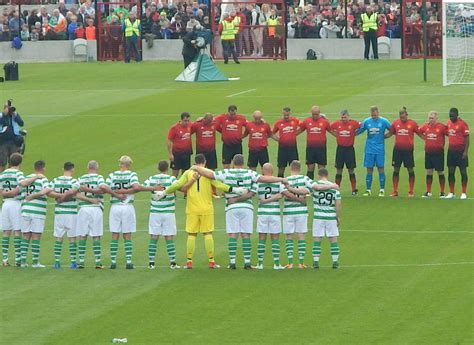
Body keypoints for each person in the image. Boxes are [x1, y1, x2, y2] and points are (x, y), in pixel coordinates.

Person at [193, 154, 287, 269]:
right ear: (243, 163)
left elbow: (210, 174)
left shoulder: (227, 172)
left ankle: (232, 262)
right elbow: (265, 178)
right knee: (245, 234)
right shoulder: (249, 173)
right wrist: (281, 179)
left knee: (233, 234)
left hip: (231, 207)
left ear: (233, 162)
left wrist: (196, 168)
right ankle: (247, 262)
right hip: (247, 207)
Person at [157, 154, 239, 269]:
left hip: (192, 209)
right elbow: (219, 185)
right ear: (204, 162)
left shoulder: (187, 173)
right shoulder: (208, 173)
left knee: (191, 234)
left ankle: (189, 262)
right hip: (206, 208)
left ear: (195, 162)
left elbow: (177, 184)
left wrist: (164, 192)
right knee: (208, 234)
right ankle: (211, 261)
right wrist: (235, 190)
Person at [77, 160, 124, 269]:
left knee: (82, 236)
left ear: (88, 167)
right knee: (96, 235)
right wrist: (114, 195)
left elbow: (76, 193)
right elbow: (103, 188)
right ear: (97, 168)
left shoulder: (81, 178)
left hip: (83, 208)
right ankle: (98, 263)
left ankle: (81, 262)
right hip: (95, 208)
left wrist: (87, 195)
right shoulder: (99, 178)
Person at [1, 153, 43, 267]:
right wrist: (35, 176)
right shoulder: (18, 173)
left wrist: (6, 194)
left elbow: (1, 192)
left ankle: (4, 259)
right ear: (20, 162)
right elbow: (22, 185)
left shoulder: (3, 174)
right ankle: (18, 259)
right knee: (18, 231)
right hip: (16, 203)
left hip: (5, 204)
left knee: (6, 231)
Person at [141, 160, 180, 269]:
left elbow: (142, 187)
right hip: (168, 212)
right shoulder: (171, 179)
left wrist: (152, 189)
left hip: (155, 212)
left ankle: (151, 263)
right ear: (167, 168)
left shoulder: (152, 179)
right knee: (169, 237)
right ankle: (172, 263)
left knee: (154, 237)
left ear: (158, 168)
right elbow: (179, 187)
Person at [106, 156, 141, 269]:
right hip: (127, 206)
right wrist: (125, 191)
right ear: (129, 164)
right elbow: (136, 187)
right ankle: (129, 262)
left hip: (115, 207)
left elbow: (105, 188)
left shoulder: (112, 175)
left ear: (120, 163)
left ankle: (113, 262)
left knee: (114, 234)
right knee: (127, 235)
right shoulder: (132, 175)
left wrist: (116, 193)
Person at [48, 162, 83, 269]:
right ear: (72, 169)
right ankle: (73, 262)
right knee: (72, 238)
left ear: (63, 168)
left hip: (59, 213)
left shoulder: (56, 180)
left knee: (59, 237)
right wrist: (65, 196)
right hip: (71, 213)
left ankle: (57, 262)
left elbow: (49, 192)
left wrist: (59, 197)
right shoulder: (75, 181)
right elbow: (74, 193)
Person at [255, 163, 287, 270]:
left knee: (261, 238)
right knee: (275, 238)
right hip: (274, 213)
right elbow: (282, 194)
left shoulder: (258, 182)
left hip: (262, 213)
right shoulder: (278, 181)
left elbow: (254, 194)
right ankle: (276, 264)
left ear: (262, 171)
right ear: (272, 171)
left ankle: (260, 264)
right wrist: (273, 198)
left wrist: (264, 201)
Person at [19, 160, 49, 268]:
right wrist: (35, 196)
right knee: (36, 235)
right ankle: (35, 262)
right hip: (38, 211)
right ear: (43, 168)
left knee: (25, 235)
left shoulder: (26, 178)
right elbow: (47, 190)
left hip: (25, 210)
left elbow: (21, 189)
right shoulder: (43, 179)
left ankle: (23, 262)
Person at [385, 107, 420, 197]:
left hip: (408, 151)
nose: (402, 118)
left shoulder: (412, 123)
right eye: (401, 116)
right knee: (396, 169)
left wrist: (428, 139)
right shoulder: (396, 123)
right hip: (397, 150)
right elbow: (389, 134)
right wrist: (379, 136)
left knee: (410, 169)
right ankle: (395, 191)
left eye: (403, 116)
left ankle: (411, 191)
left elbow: (420, 133)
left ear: (406, 115)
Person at [356, 106, 391, 197]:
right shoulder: (367, 121)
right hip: (369, 149)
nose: (374, 117)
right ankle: (368, 190)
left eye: (375, 115)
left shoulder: (384, 121)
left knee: (380, 168)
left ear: (378, 113)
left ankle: (382, 190)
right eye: (372, 115)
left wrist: (385, 136)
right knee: (369, 169)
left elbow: (392, 130)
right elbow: (358, 131)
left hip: (379, 149)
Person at [311, 169, 342, 269]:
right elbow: (338, 203)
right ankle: (335, 262)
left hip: (318, 217)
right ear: (327, 175)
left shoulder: (315, 186)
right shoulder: (334, 187)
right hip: (330, 217)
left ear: (318, 175)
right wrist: (337, 217)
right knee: (333, 240)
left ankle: (316, 262)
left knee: (317, 240)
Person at [330, 109, 360, 195]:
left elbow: (362, 126)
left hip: (349, 149)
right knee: (339, 170)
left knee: (351, 170)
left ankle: (354, 190)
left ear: (348, 116)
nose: (343, 119)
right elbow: (329, 128)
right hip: (340, 149)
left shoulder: (354, 123)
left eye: (345, 117)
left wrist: (355, 133)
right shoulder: (337, 123)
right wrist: (336, 134)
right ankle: (336, 189)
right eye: (342, 117)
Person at [297, 105, 332, 179]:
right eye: (313, 114)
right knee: (310, 167)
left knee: (321, 168)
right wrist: (290, 134)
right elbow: (299, 130)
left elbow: (332, 131)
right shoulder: (307, 121)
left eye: (316, 114)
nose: (314, 116)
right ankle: (309, 187)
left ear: (319, 113)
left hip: (321, 148)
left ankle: (322, 185)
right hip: (310, 149)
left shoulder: (324, 122)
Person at [418, 111, 447, 197]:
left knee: (440, 172)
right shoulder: (425, 126)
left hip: (438, 153)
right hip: (428, 153)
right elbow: (418, 131)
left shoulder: (441, 127)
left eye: (432, 118)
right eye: (429, 118)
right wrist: (424, 138)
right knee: (429, 171)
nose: (430, 120)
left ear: (436, 118)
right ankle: (428, 191)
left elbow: (450, 133)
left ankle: (442, 192)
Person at [445, 108, 469, 199]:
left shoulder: (462, 124)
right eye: (450, 115)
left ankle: (464, 192)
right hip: (451, 151)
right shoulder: (448, 123)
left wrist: (465, 151)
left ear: (457, 115)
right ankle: (451, 192)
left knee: (463, 172)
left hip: (461, 151)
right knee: (451, 172)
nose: (451, 117)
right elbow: (447, 132)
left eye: (452, 115)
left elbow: (467, 138)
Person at [272, 107, 301, 177]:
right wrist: (278, 139)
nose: (286, 117)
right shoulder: (278, 123)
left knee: (295, 167)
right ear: (283, 114)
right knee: (281, 167)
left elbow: (303, 126)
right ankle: (280, 184)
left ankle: (295, 184)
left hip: (293, 148)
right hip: (282, 149)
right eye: (285, 115)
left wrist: (295, 133)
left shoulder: (295, 120)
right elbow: (271, 133)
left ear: (290, 113)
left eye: (287, 115)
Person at [0, 102, 25, 172]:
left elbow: (21, 123)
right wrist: (5, 115)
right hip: (2, 143)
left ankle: (12, 175)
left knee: (14, 162)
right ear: (4, 108)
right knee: (2, 162)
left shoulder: (14, 115)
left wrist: (15, 114)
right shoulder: (1, 116)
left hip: (14, 142)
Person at [167, 112, 193, 177]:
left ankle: (183, 187)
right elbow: (169, 141)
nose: (187, 122)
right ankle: (173, 186)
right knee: (175, 173)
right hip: (176, 154)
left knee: (185, 173)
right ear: (181, 120)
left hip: (187, 153)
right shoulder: (174, 128)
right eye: (185, 121)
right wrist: (170, 154)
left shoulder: (190, 125)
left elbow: (198, 123)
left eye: (188, 120)